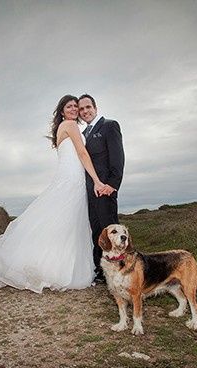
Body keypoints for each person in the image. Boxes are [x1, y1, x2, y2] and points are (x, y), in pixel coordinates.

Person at [0, 95, 106, 293]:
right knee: (67, 220)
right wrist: (97, 180)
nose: (75, 109)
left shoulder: (63, 128)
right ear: (62, 111)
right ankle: (56, 268)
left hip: (69, 175)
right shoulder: (70, 125)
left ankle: (53, 263)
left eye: (76, 106)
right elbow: (82, 154)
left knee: (63, 220)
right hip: (72, 177)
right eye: (70, 106)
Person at [78, 94, 125, 283]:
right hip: (91, 191)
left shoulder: (109, 126)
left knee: (110, 232)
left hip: (105, 189)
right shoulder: (85, 134)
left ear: (95, 108)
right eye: (81, 109)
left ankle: (119, 270)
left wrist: (112, 185)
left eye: (88, 107)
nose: (85, 111)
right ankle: (101, 271)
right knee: (97, 231)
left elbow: (118, 158)